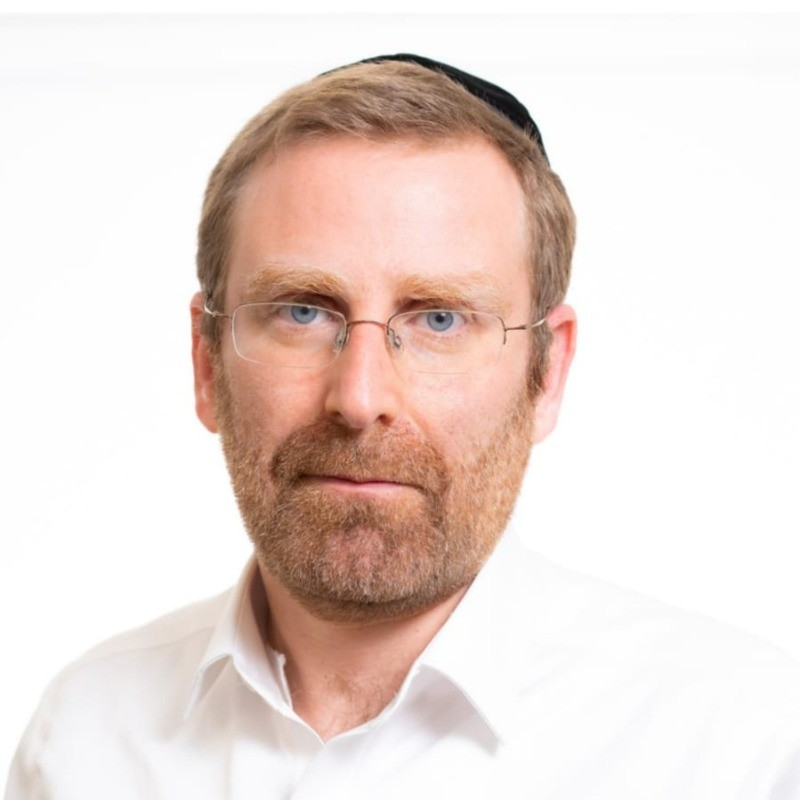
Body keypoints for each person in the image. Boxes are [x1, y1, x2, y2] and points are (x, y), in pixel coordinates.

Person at [6, 54, 800, 799]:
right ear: (206, 363)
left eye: (440, 319)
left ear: (546, 374)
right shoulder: (82, 741)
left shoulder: (740, 750)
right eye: (303, 311)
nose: (359, 399)